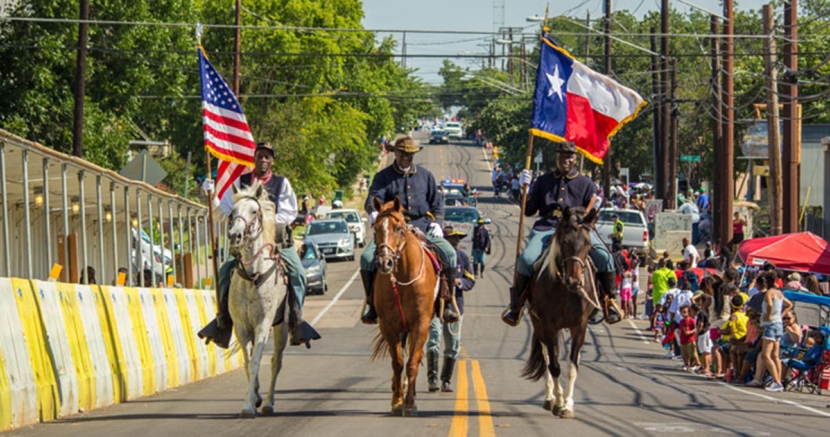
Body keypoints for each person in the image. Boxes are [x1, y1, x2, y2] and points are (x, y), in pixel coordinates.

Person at [198, 142, 319, 348]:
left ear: (272, 161)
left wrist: (265, 223)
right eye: (260, 155)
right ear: (254, 158)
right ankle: (222, 322)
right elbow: (223, 212)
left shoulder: (282, 184)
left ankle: (296, 320)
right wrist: (211, 196)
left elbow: (289, 212)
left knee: (298, 273)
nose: (263, 160)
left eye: (267, 157)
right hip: (247, 245)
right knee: (225, 271)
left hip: (276, 241)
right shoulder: (241, 182)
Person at [501, 141, 621, 326]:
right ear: (557, 157)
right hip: (548, 226)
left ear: (575, 159)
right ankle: (517, 305)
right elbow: (529, 210)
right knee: (526, 259)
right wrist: (522, 189)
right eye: (562, 155)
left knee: (605, 257)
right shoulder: (544, 181)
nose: (565, 159)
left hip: (578, 229)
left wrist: (595, 209)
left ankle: (609, 302)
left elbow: (592, 212)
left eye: (569, 156)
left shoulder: (585, 183)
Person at [360, 136, 458, 324]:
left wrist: (438, 222)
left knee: (450, 254)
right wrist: (374, 212)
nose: (405, 157)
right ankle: (372, 305)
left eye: (409, 154)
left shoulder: (425, 175)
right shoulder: (383, 177)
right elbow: (373, 197)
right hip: (393, 229)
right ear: (395, 153)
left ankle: (447, 302)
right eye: (402, 153)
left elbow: (437, 203)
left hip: (422, 226)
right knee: (366, 259)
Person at [427, 226, 476, 393]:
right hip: (435, 307)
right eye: (452, 238)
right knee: (433, 340)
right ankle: (432, 380)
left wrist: (459, 282)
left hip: (455, 307)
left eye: (458, 238)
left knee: (453, 345)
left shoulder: (462, 257)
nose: (456, 241)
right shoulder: (434, 256)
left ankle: (446, 380)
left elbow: (470, 279)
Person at [678, 305, 698, 372]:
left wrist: (690, 332)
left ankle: (692, 365)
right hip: (683, 339)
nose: (683, 314)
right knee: (685, 354)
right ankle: (686, 364)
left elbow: (695, 328)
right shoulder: (681, 321)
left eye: (685, 312)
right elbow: (680, 329)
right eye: (682, 312)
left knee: (692, 353)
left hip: (690, 339)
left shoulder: (692, 320)